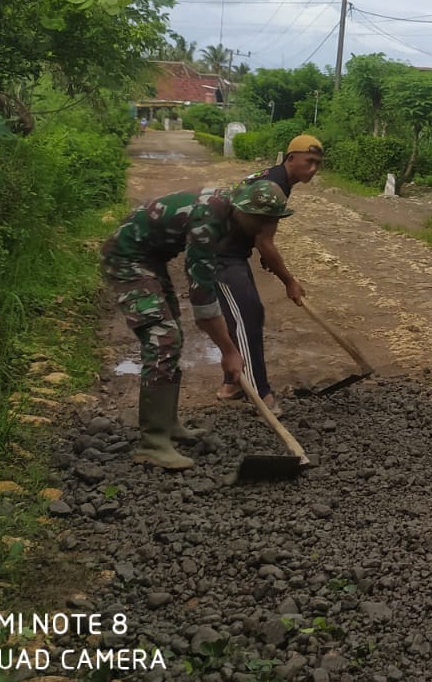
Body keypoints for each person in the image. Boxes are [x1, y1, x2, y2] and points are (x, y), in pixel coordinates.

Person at [100, 178, 294, 470]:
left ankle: (168, 424)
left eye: (272, 221)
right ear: (243, 210)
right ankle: (153, 443)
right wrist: (229, 351)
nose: (266, 228)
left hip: (151, 259)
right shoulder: (208, 222)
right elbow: (202, 300)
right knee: (162, 338)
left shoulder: (230, 211)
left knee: (171, 335)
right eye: (261, 220)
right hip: (127, 258)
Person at [213, 134, 324, 412]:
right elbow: (265, 240)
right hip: (218, 253)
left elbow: (258, 229)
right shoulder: (273, 185)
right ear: (291, 159)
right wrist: (289, 281)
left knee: (243, 314)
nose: (313, 169)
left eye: (318, 164)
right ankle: (260, 393)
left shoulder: (279, 179)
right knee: (247, 317)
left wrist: (261, 248)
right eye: (309, 161)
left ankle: (231, 383)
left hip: (233, 250)